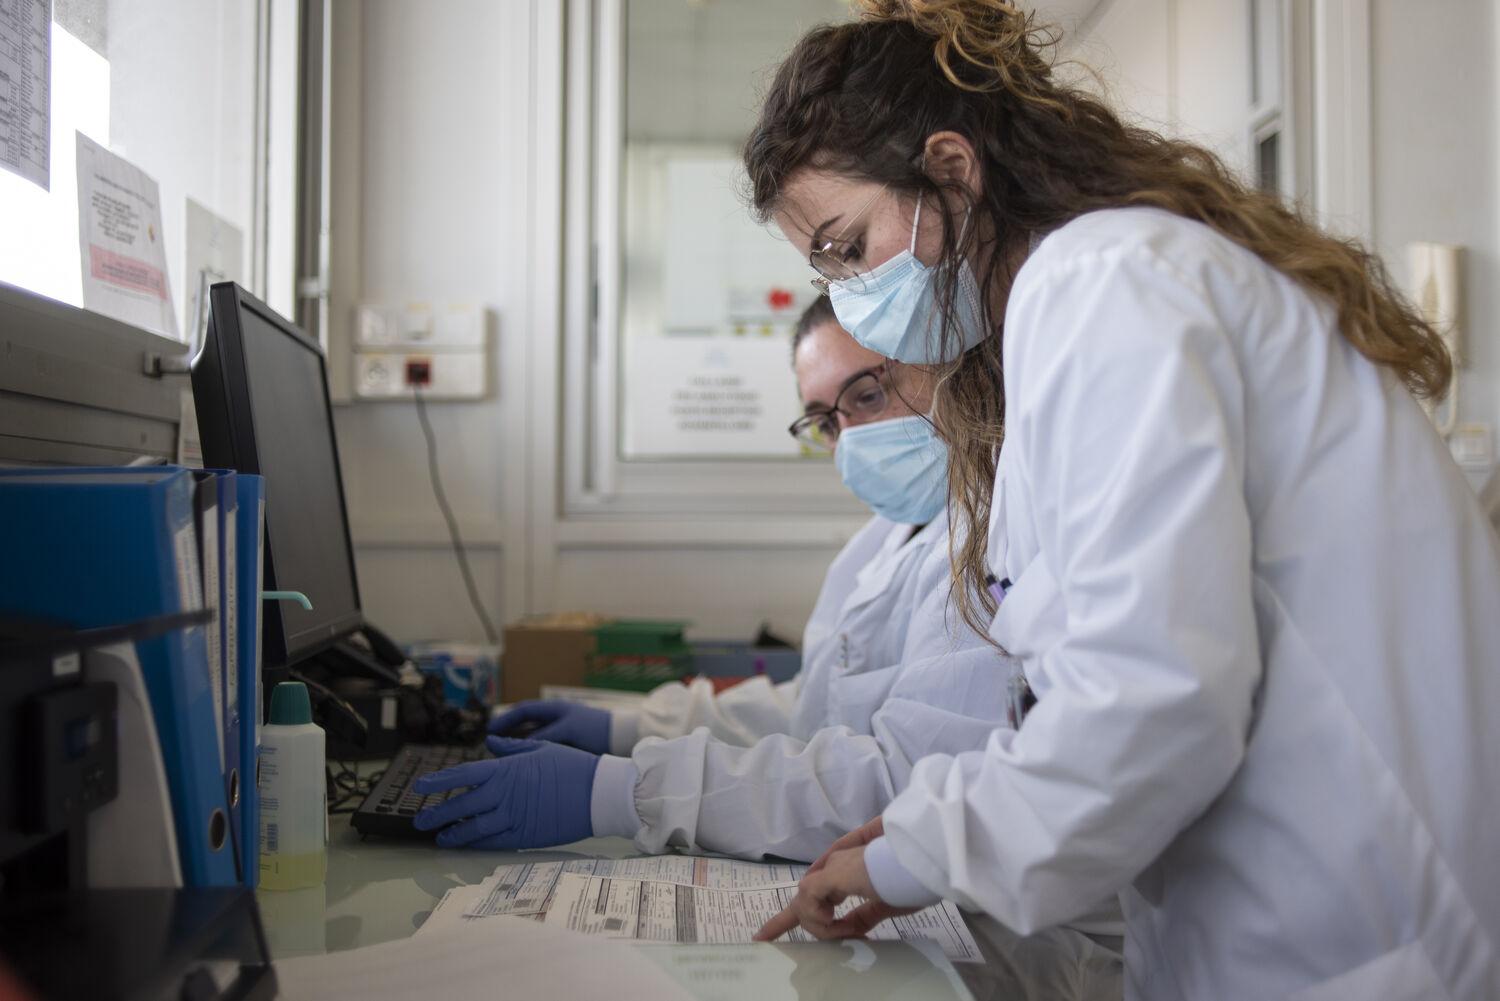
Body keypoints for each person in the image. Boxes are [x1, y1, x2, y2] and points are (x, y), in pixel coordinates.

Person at [743, 3, 1500, 1000]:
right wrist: (929, 825)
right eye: (828, 269)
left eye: (851, 247)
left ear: (954, 171)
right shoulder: (1065, 313)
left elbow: (1151, 696)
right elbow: (1098, 680)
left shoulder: (1104, 285)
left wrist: (914, 854)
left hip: (1355, 936)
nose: (851, 296)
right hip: (1263, 925)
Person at [409, 298, 1019, 865]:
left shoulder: (994, 539)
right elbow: (817, 709)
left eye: (867, 395)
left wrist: (623, 793)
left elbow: (899, 786)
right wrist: (627, 727)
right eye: (826, 422)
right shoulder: (885, 540)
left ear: (947, 367)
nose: (850, 438)